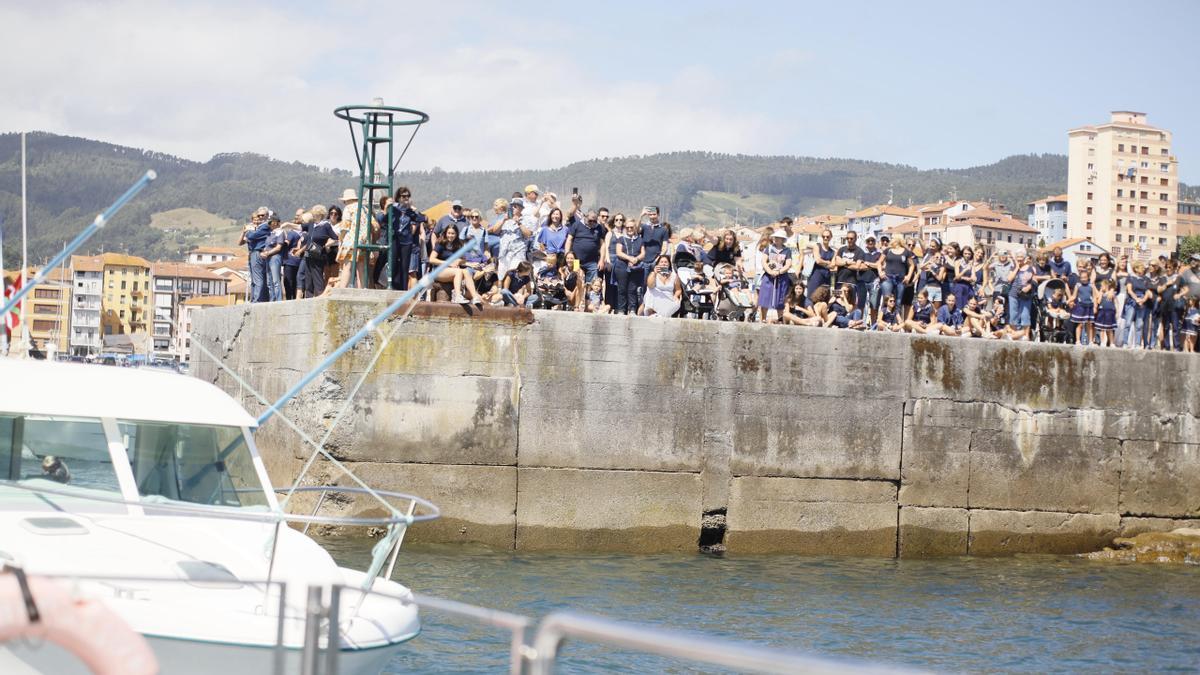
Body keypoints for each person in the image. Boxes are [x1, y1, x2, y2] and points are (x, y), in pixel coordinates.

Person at [384, 186, 427, 291]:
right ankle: (391, 286)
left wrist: (414, 210)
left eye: (408, 196)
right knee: (393, 264)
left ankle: (403, 290)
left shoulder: (410, 211)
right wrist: (386, 208)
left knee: (405, 266)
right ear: (398, 197)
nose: (406, 198)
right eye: (403, 196)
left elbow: (424, 218)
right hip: (395, 239)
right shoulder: (393, 208)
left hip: (406, 241)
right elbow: (382, 219)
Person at [428, 224, 484, 305]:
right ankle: (457, 296)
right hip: (438, 271)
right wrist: (448, 263)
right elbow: (431, 259)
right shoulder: (440, 244)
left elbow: (462, 260)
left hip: (451, 271)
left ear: (456, 234)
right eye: (449, 233)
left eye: (453, 233)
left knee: (466, 272)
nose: (450, 235)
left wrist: (468, 264)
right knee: (458, 271)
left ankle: (474, 297)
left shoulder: (458, 245)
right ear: (445, 233)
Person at [757, 229, 794, 324]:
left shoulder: (787, 251)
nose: (776, 239)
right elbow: (764, 261)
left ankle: (780, 319)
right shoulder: (769, 248)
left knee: (780, 298)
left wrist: (780, 271)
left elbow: (788, 264)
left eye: (779, 238)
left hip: (781, 277)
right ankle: (763, 319)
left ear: (783, 240)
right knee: (765, 297)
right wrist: (769, 271)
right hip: (768, 276)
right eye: (775, 237)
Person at [300, 204, 337, 297]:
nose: (313, 215)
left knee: (317, 277)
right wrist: (288, 225)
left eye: (315, 213)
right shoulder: (311, 224)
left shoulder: (326, 225)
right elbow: (299, 227)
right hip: (308, 254)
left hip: (318, 255)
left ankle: (320, 296)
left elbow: (335, 238)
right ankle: (308, 297)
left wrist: (326, 244)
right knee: (308, 277)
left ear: (320, 215)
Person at [492, 198, 534, 278]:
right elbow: (495, 231)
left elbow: (528, 234)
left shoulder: (526, 219)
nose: (513, 208)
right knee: (501, 276)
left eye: (515, 206)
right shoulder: (504, 218)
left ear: (521, 209)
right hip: (504, 252)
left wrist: (518, 223)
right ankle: (502, 290)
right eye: (512, 206)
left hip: (518, 252)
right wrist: (504, 220)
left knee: (515, 275)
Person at [613, 217, 645, 315]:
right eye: (627, 228)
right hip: (622, 266)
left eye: (631, 227)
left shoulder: (640, 239)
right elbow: (619, 252)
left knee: (632, 289)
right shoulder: (621, 239)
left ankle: (632, 309)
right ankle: (621, 309)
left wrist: (636, 259)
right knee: (622, 289)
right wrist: (629, 258)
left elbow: (643, 253)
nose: (629, 229)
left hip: (635, 267)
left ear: (635, 228)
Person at [240, 207, 271, 302]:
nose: (260, 217)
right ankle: (258, 298)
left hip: (257, 252)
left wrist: (249, 231)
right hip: (257, 253)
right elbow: (241, 242)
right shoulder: (261, 226)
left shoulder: (265, 226)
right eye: (259, 215)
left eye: (262, 215)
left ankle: (257, 299)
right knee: (258, 278)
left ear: (267, 215)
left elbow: (251, 236)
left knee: (258, 278)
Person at [565, 209, 605, 282]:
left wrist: (601, 260)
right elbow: (569, 240)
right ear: (585, 217)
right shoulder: (577, 224)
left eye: (594, 221)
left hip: (592, 262)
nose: (592, 223)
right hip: (577, 261)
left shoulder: (599, 227)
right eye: (590, 220)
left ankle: (589, 294)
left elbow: (603, 245)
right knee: (576, 282)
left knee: (592, 284)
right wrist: (567, 255)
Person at [1122, 261, 1153, 349]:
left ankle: (1138, 344)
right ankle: (1125, 342)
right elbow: (1129, 290)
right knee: (1128, 323)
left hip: (1142, 303)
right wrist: (1137, 299)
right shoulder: (1130, 277)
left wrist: (1142, 300)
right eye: (1141, 267)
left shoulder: (1146, 279)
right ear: (1136, 269)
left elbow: (1147, 291)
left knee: (1139, 324)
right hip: (1132, 302)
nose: (1143, 268)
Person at [1007, 252, 1036, 341]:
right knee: (1013, 315)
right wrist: (1017, 267)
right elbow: (1009, 279)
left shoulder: (1031, 268)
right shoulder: (1013, 268)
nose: (1019, 259)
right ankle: (1014, 335)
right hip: (1013, 294)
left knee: (1025, 315)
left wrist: (1029, 287)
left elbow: (1035, 281)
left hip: (1026, 295)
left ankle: (1026, 336)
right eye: (1018, 257)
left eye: (1021, 257)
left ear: (1025, 258)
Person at [880, 235, 915, 307]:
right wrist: (880, 272)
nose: (891, 240)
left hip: (900, 279)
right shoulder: (888, 250)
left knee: (898, 302)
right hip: (888, 278)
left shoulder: (906, 251)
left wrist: (908, 276)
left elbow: (912, 265)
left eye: (892, 238)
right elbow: (879, 262)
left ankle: (896, 318)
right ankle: (884, 317)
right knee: (887, 300)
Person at [259, 213, 285, 302]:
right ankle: (272, 299)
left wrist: (267, 253)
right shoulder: (270, 233)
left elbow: (278, 247)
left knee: (275, 281)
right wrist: (263, 253)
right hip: (268, 258)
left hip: (275, 258)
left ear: (275, 223)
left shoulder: (280, 232)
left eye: (271, 222)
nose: (269, 224)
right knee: (269, 282)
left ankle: (278, 299)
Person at [1068, 269, 1095, 346]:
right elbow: (1074, 296)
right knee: (1079, 324)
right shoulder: (1078, 285)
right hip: (1080, 307)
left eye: (1085, 277)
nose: (1083, 279)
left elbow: (1094, 296)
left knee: (1089, 325)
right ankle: (1077, 341)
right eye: (1082, 277)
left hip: (1089, 307)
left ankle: (1090, 341)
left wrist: (1095, 307)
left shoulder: (1091, 285)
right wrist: (1068, 301)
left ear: (1088, 277)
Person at [807, 229, 835, 302]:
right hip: (816, 275)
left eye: (827, 236)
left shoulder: (832, 251)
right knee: (812, 296)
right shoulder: (817, 246)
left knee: (824, 297)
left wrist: (824, 263)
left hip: (826, 277)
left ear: (831, 237)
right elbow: (818, 260)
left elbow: (832, 266)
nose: (825, 238)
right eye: (823, 236)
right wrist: (827, 262)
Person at [858, 235, 882, 319]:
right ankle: (859, 323)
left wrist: (868, 263)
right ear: (866, 242)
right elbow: (859, 266)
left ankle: (873, 326)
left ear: (875, 242)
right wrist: (875, 265)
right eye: (868, 241)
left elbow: (882, 266)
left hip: (874, 282)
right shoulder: (861, 253)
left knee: (874, 305)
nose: (870, 242)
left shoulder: (879, 254)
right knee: (860, 305)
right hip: (862, 281)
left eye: (872, 240)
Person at [280, 217, 302, 300]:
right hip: (299, 261)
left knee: (288, 282)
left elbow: (286, 243)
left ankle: (289, 299)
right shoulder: (304, 233)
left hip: (289, 261)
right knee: (297, 282)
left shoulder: (292, 233)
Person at [1094, 278, 1118, 347]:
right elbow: (1098, 302)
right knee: (1102, 329)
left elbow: (1115, 303)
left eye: (1102, 286)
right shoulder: (1101, 294)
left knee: (1109, 329)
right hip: (1102, 312)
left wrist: (1117, 311)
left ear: (1106, 286)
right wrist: (1101, 292)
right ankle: (1102, 342)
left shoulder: (1112, 293)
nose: (1101, 287)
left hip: (1110, 312)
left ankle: (1112, 343)